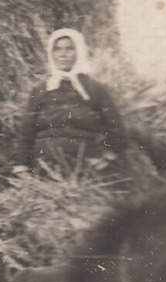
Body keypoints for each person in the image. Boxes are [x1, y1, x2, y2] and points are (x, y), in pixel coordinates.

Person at [13, 28, 128, 178]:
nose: (63, 54)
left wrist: (106, 156)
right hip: (45, 165)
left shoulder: (94, 88)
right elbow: (26, 132)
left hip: (85, 166)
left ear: (79, 51)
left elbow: (116, 128)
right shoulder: (41, 90)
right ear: (51, 54)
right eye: (57, 49)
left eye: (69, 48)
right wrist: (22, 166)